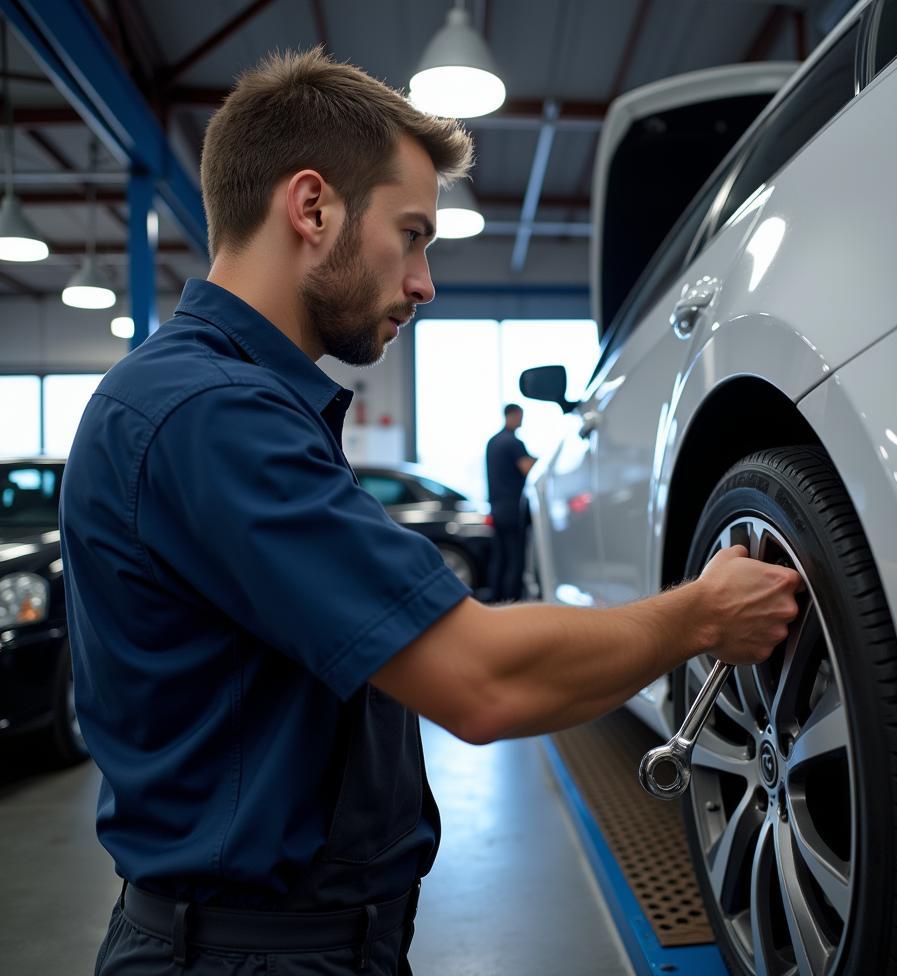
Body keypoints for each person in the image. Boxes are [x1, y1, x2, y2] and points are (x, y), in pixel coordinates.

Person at [59, 49, 802, 976]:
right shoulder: (209, 414)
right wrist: (700, 614)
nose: (424, 282)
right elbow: (481, 683)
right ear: (313, 207)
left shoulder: (224, 402)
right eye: (412, 235)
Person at [485, 403, 536, 601]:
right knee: (515, 559)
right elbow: (527, 468)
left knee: (499, 558)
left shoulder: (493, 442)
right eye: (521, 417)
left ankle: (496, 601)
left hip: (497, 508)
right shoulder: (513, 443)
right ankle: (512, 602)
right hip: (513, 510)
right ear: (514, 415)